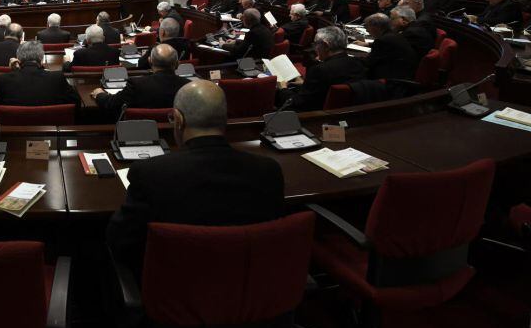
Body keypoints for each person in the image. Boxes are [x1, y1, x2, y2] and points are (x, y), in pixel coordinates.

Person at [106, 79, 285, 274]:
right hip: (251, 287)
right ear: (225, 119)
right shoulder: (269, 171)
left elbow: (120, 241)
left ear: (179, 120)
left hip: (172, 290)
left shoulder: (150, 174)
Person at [92, 43, 189, 120]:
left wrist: (99, 94)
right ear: (177, 64)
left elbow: (112, 104)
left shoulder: (136, 85)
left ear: (150, 61)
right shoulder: (188, 86)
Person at [279, 26, 366, 111]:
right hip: (348, 111)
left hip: (316, 115)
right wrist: (305, 84)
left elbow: (300, 103)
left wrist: (283, 89)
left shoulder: (320, 70)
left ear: (326, 45)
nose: (315, 48)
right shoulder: (357, 63)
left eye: (316, 44)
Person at [0, 41, 80, 108]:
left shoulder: (3, 79)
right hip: (51, 127)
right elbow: (76, 101)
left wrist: (14, 72)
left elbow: (0, 102)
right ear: (42, 59)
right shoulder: (57, 77)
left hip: (15, 128)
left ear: (18, 59)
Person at [360, 13, 419, 81]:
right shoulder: (394, 34)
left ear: (376, 27)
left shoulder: (383, 40)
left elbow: (369, 62)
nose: (367, 30)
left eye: (367, 26)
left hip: (393, 80)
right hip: (405, 73)